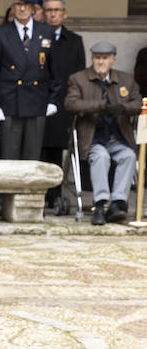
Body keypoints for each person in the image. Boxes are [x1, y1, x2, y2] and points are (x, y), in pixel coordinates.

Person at [66, 42, 141, 225]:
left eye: (105, 58)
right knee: (101, 156)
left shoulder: (127, 80)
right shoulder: (79, 79)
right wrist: (99, 106)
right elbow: (71, 103)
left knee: (129, 156)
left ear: (113, 60)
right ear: (92, 59)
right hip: (92, 137)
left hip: (118, 136)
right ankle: (100, 204)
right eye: (97, 58)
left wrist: (122, 108)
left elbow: (138, 103)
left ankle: (117, 203)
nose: (101, 61)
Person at [0, 0, 56, 162]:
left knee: (32, 156)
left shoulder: (46, 32)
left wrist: (53, 100)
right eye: (18, 4)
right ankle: (8, 191)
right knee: (9, 155)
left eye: (26, 5)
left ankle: (29, 191)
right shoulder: (0, 33)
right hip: (10, 102)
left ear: (33, 8)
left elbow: (53, 70)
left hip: (37, 100)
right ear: (12, 7)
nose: (22, 9)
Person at [41, 0, 85, 215]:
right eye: (48, 10)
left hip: (62, 104)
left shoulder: (74, 40)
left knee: (56, 150)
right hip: (38, 102)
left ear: (64, 14)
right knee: (37, 149)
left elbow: (79, 74)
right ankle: (37, 193)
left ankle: (55, 195)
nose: (52, 14)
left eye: (57, 10)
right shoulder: (36, 36)